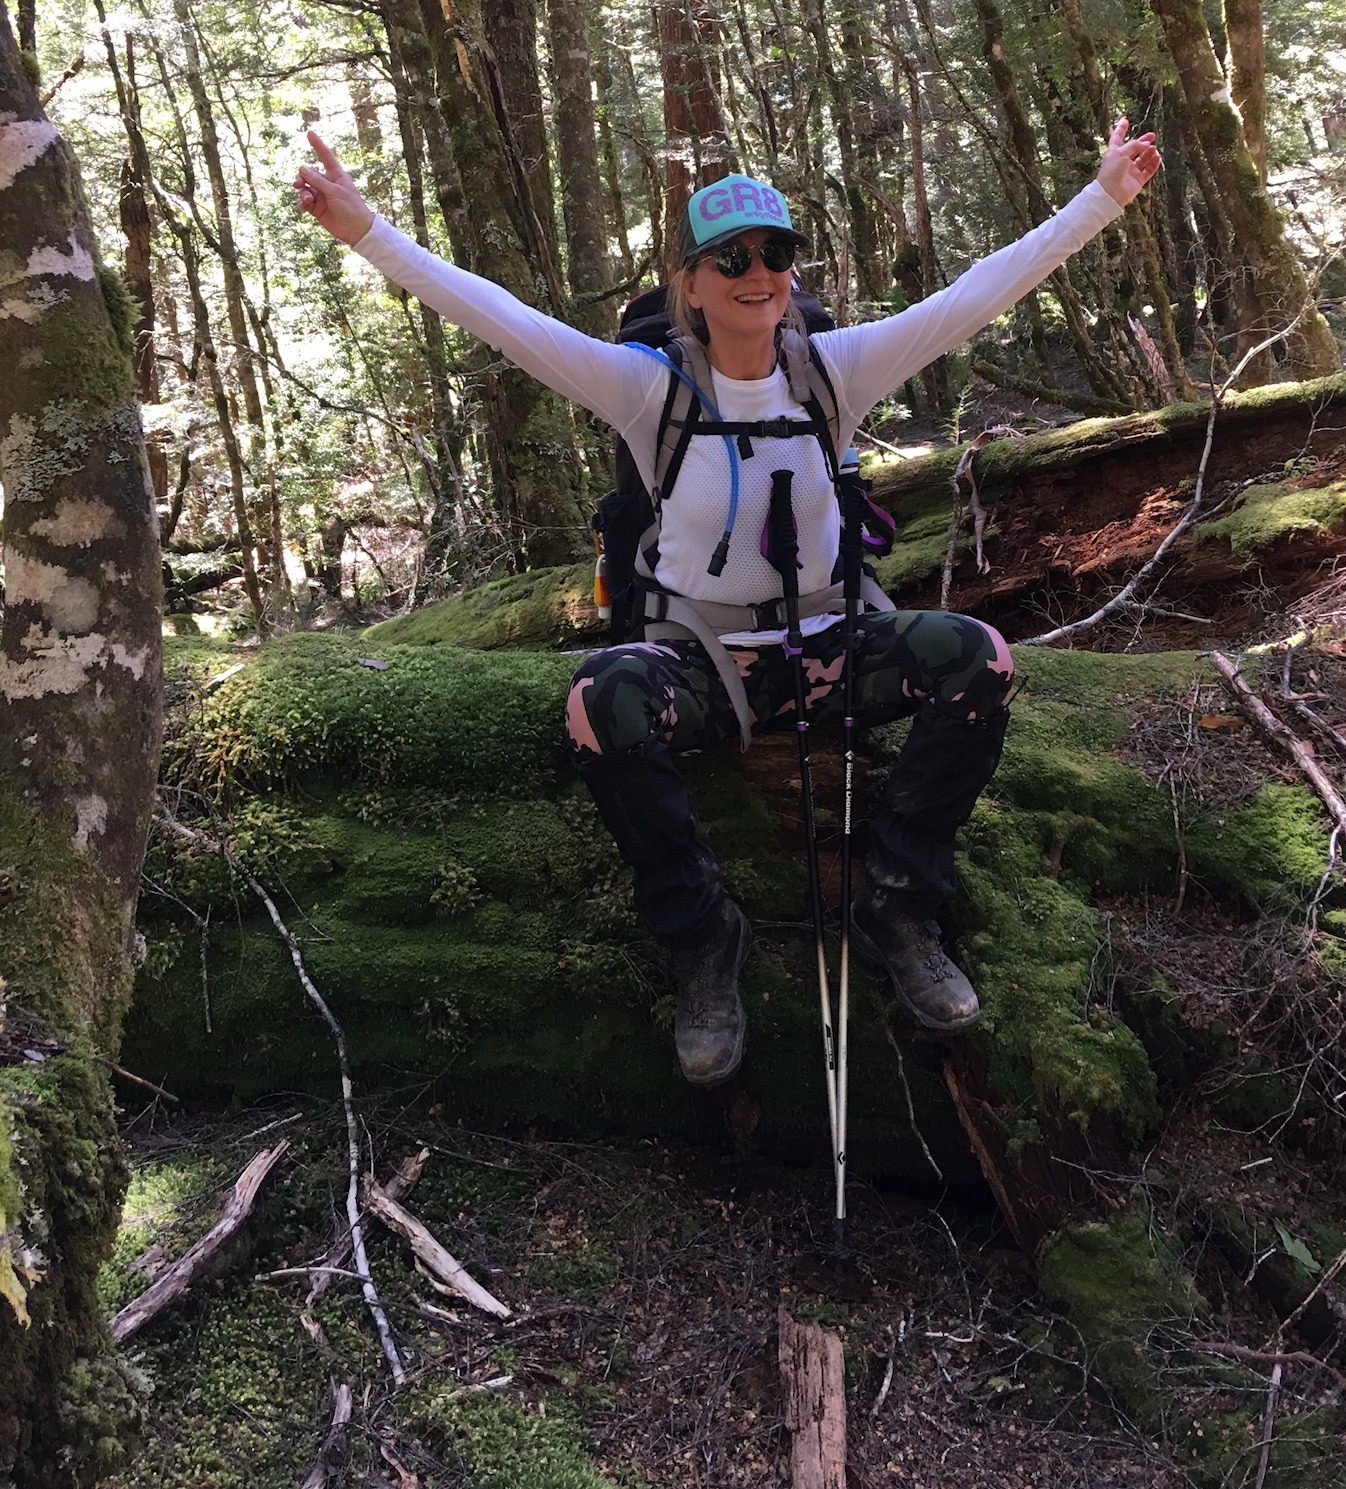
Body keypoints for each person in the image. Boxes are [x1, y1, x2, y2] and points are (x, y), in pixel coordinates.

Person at [295, 122, 1161, 1086]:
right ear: (692, 284)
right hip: (705, 664)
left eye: (775, 253)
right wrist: (369, 232)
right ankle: (702, 933)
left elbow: (977, 294)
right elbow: (503, 319)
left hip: (835, 644)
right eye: (731, 258)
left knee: (980, 658)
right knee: (599, 699)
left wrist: (1102, 199)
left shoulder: (836, 370)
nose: (759, 274)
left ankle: (898, 902)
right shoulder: (646, 388)